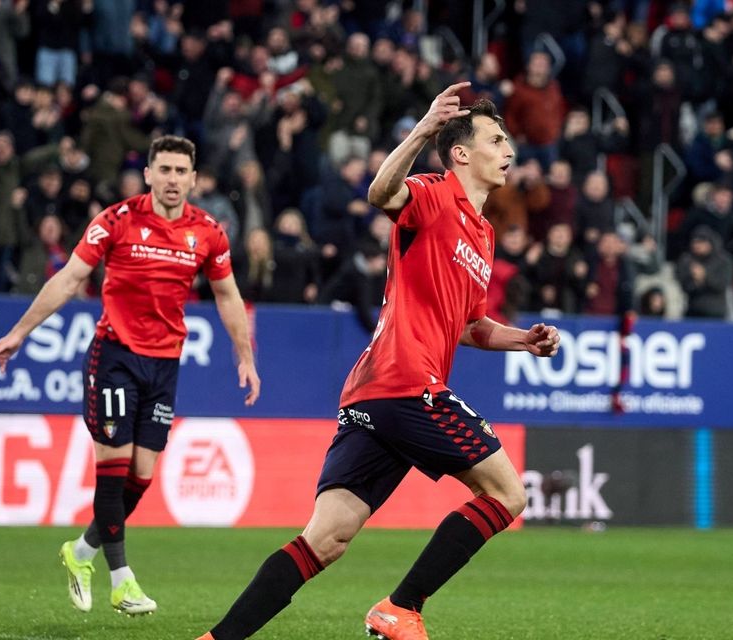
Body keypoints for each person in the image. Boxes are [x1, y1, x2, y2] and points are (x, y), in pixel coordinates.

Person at [198, 85, 561, 640]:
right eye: (495, 139)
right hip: (407, 383)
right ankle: (401, 607)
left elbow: (469, 325)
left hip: (375, 394)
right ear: (461, 153)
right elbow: (380, 193)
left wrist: (523, 341)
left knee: (326, 539)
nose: (508, 149)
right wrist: (422, 129)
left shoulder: (484, 235)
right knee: (507, 494)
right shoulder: (434, 193)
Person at [0, 136, 260, 616]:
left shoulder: (208, 232)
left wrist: (245, 355)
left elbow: (228, 295)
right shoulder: (116, 221)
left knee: (142, 475)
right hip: (115, 356)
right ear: (148, 174)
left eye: (181, 171)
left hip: (164, 364)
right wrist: (19, 333)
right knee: (113, 468)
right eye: (164, 170)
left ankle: (81, 551)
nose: (172, 179)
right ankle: (121, 580)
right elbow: (69, 279)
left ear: (193, 179)